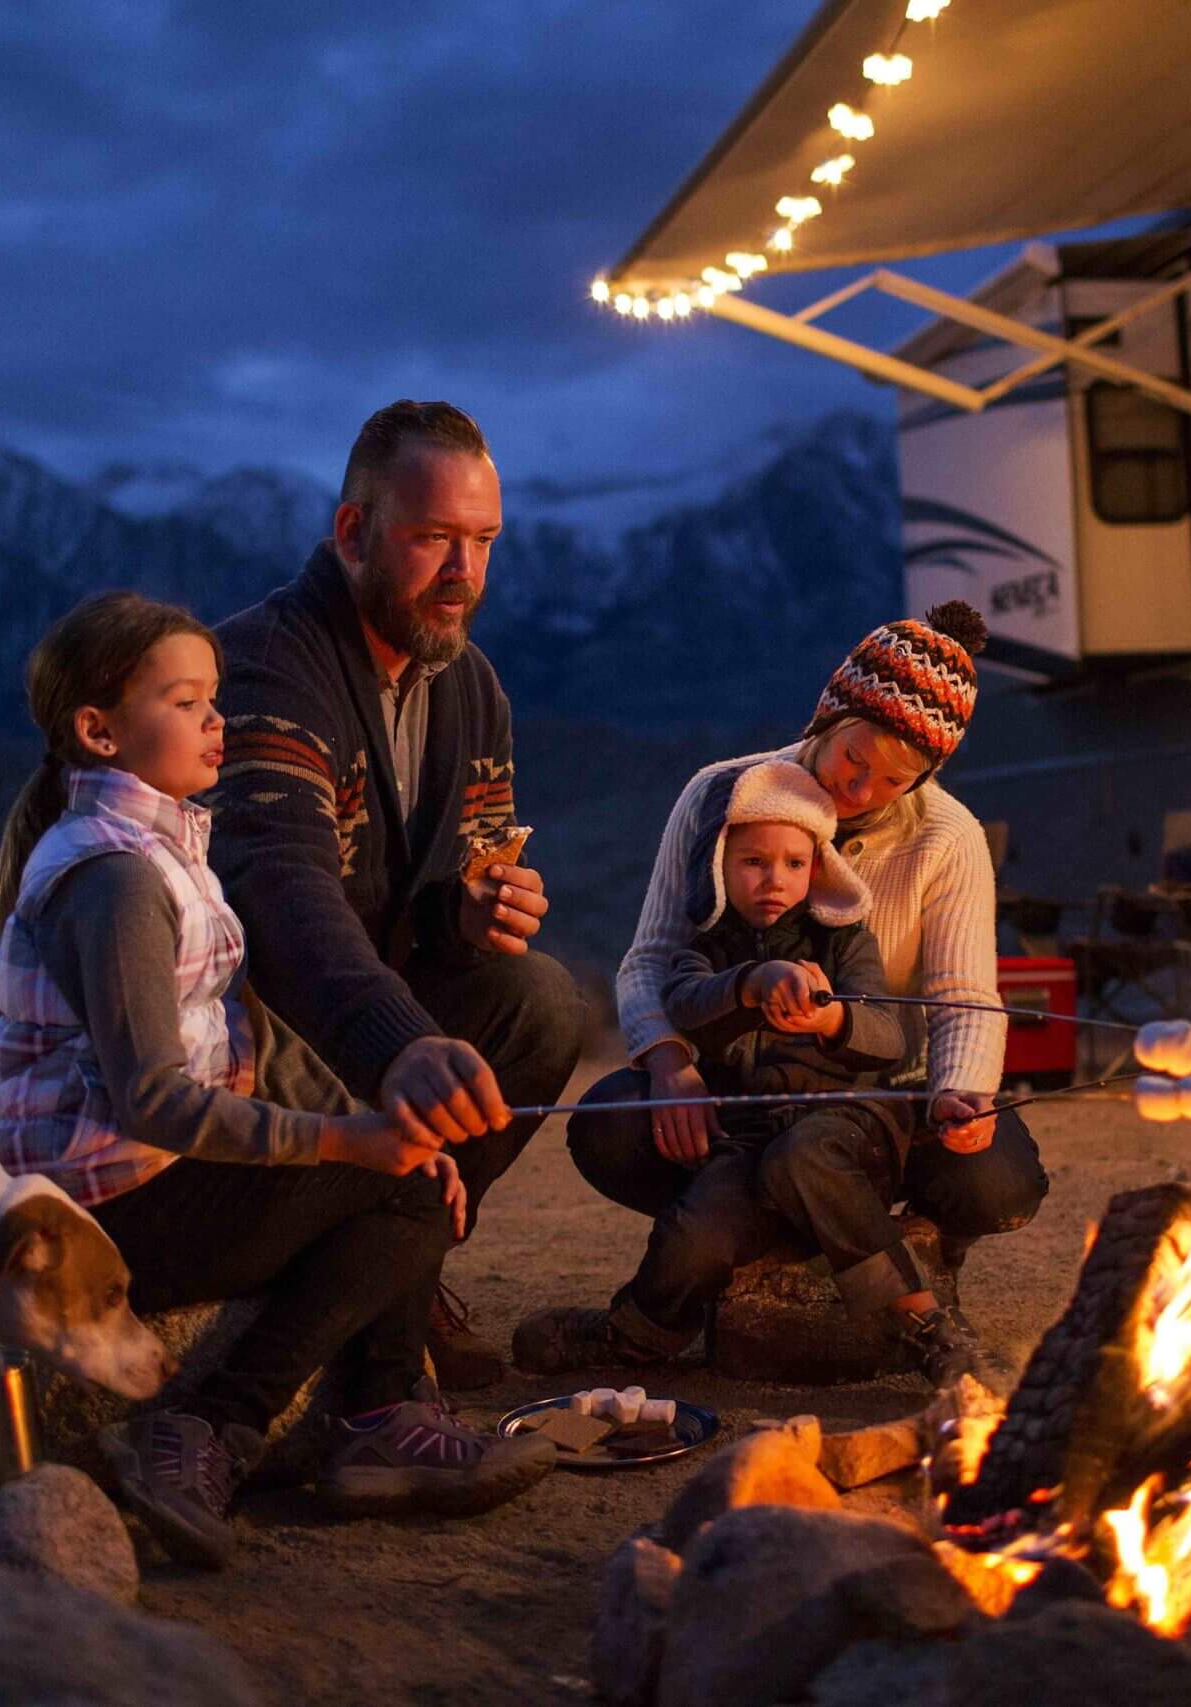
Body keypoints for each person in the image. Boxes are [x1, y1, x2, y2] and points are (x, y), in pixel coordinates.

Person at [0, 591, 554, 1572]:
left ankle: (367, 1414)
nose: (217, 723)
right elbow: (150, 1098)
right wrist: (345, 1144)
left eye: (215, 700)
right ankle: (213, 1425)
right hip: (93, 1211)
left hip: (150, 1180)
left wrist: (372, 1122)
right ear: (98, 730)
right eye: (187, 702)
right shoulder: (112, 879)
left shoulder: (167, 848)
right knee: (403, 1175)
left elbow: (240, 1031)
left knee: (414, 1158)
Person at [207, 400, 583, 1389]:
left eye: (482, 542)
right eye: (431, 539)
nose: (464, 573)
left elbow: (448, 880)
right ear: (352, 533)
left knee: (541, 1000)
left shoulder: (472, 688)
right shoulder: (263, 664)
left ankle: (399, 1273)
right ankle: (356, 1311)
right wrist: (401, 1039)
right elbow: (278, 885)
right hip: (266, 1024)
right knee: (439, 1042)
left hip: (373, 1008)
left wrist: (468, 917)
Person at [568, 601, 1049, 1300]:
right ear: (829, 711)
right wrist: (670, 1063)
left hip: (876, 1101)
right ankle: (768, 1228)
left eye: (893, 778)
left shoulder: (948, 836)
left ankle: (892, 1237)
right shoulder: (722, 796)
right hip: (738, 1093)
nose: (860, 789)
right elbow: (651, 959)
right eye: (854, 757)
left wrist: (960, 1092)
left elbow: (963, 998)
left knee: (996, 1177)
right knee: (610, 1127)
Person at [514, 761, 992, 1383]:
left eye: (794, 864)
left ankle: (923, 1324)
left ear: (818, 869)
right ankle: (639, 1333)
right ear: (718, 864)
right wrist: (746, 984)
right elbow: (682, 1001)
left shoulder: (843, 941)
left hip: (845, 1123)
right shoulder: (706, 944)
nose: (774, 880)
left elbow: (887, 1037)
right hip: (744, 1129)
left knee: (805, 1157)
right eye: (753, 862)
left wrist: (830, 1022)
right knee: (699, 1230)